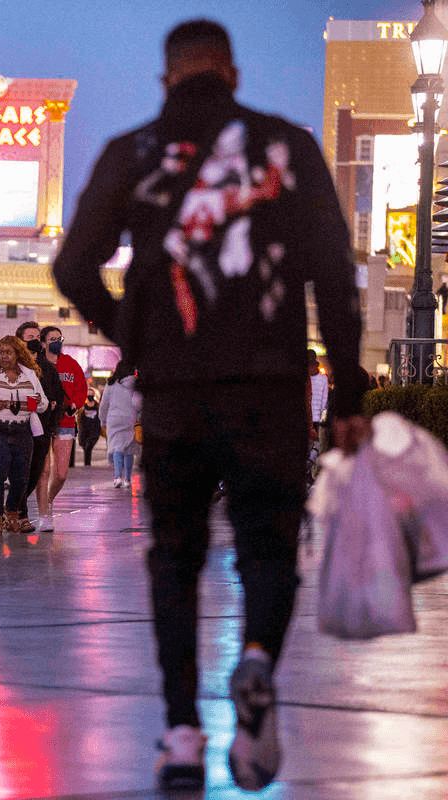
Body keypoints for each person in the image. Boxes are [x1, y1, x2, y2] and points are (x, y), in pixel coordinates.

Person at [53, 19, 370, 792]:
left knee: (175, 556)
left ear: (168, 81)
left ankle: (183, 732)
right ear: (231, 73)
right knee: (268, 543)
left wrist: (130, 328)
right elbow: (333, 271)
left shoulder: (133, 151)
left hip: (173, 394)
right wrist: (351, 391)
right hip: (268, 388)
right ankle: (257, 657)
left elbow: (72, 264)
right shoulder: (286, 148)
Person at [0, 336, 46, 536]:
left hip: (22, 430)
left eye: (8, 353)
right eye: (1, 352)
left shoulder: (29, 375)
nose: (4, 356)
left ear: (18, 354)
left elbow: (43, 404)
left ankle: (12, 514)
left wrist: (36, 402)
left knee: (21, 478)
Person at [32, 326, 87, 532]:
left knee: (61, 473)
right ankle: (44, 514)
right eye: (52, 338)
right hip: (44, 423)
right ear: (44, 343)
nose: (56, 341)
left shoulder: (70, 364)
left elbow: (82, 388)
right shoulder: (38, 365)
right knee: (43, 471)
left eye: (59, 338)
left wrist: (75, 404)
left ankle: (48, 500)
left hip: (65, 423)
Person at [21, 326, 66, 532]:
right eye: (29, 337)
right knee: (19, 471)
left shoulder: (46, 368)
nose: (34, 340)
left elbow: (56, 395)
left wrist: (51, 406)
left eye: (37, 337)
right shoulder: (11, 366)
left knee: (39, 470)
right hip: (16, 428)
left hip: (41, 428)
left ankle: (22, 511)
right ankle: (14, 512)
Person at [99, 361, 141, 489]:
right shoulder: (135, 384)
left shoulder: (111, 384)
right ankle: (128, 479)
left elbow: (104, 405)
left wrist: (103, 421)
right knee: (129, 449)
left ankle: (117, 477)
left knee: (117, 447)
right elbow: (139, 403)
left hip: (114, 420)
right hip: (130, 419)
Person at [77, 392, 102, 466]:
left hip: (94, 430)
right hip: (85, 431)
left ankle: (87, 464)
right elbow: (79, 419)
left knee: (89, 445)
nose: (90, 395)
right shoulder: (83, 407)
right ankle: (87, 464)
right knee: (85, 446)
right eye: (89, 393)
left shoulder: (98, 406)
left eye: (92, 394)